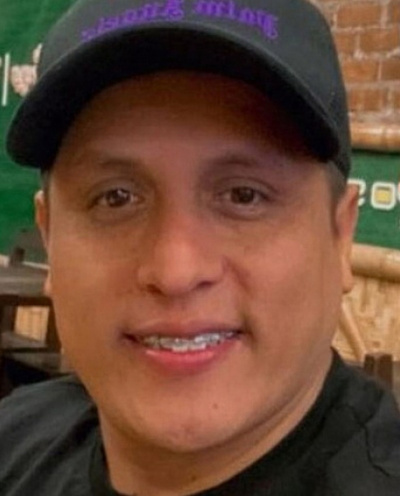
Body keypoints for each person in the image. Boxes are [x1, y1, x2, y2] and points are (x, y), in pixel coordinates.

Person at [1, 0, 400, 494]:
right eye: (116, 198)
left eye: (244, 196)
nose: (176, 271)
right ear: (49, 238)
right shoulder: (16, 438)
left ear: (340, 236)